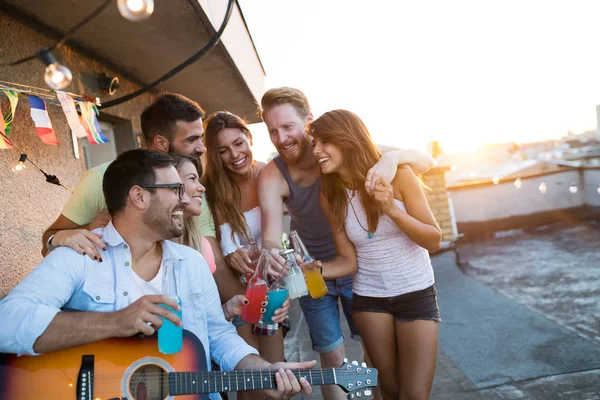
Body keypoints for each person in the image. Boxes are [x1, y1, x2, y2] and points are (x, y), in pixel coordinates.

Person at [0, 149, 314, 400]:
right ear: (139, 196)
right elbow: (8, 322)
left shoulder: (191, 263)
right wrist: (117, 322)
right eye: (174, 188)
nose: (184, 197)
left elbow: (218, 336)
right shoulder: (81, 256)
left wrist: (263, 370)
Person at [257, 87, 435, 400]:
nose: (281, 138)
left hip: (379, 276)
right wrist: (280, 260)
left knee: (391, 375)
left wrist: (393, 164)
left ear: (308, 123)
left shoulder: (359, 156)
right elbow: (273, 234)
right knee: (336, 358)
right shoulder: (304, 185)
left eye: (287, 127)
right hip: (328, 273)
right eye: (273, 131)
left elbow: (425, 160)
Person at [41, 93, 245, 304]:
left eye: (200, 138)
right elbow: (49, 242)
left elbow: (215, 265)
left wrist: (252, 306)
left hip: (172, 317)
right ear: (161, 143)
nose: (202, 148)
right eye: (192, 139)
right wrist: (85, 232)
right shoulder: (99, 179)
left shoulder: (193, 193)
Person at [311, 109, 442, 400]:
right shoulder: (329, 195)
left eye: (324, 142)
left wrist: (392, 210)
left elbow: (434, 240)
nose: (316, 150)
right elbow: (349, 261)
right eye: (314, 143)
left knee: (415, 395)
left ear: (346, 140)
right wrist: (314, 269)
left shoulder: (400, 176)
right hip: (369, 300)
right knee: (390, 392)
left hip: (416, 292)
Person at [202, 111, 290, 367]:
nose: (235, 154)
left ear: (249, 138)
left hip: (271, 286)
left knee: (275, 368)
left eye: (238, 143)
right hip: (235, 289)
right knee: (249, 377)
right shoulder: (213, 188)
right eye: (223, 150)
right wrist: (230, 255)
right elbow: (218, 245)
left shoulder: (271, 175)